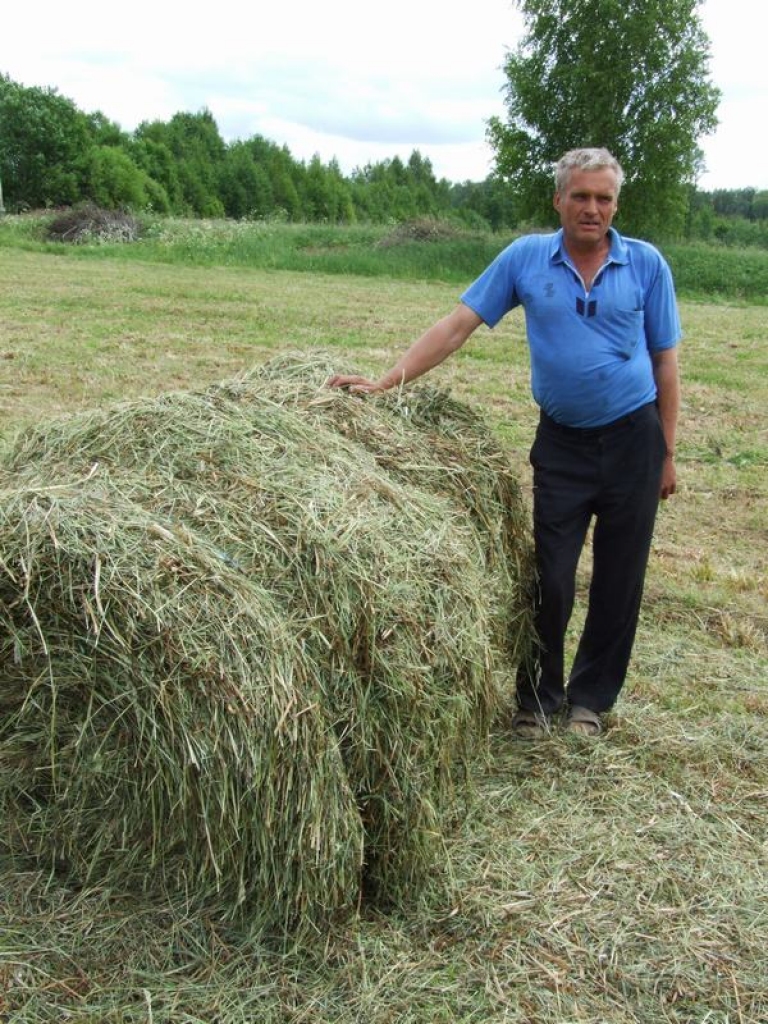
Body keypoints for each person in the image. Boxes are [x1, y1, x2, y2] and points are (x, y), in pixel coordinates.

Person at [328, 147, 681, 739]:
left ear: (616, 204)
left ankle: (589, 701)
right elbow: (457, 325)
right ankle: (537, 701)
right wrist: (388, 382)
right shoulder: (525, 258)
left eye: (603, 198)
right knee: (549, 575)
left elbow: (666, 364)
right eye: (580, 196)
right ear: (559, 200)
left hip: (633, 441)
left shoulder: (647, 265)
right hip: (562, 446)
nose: (591, 208)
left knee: (621, 579)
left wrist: (667, 452)